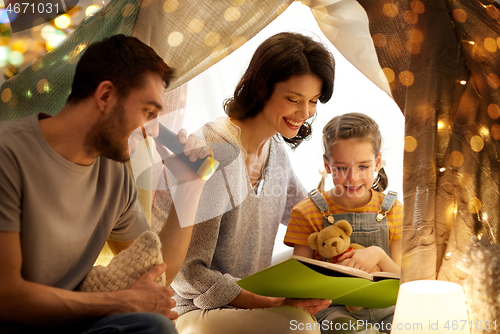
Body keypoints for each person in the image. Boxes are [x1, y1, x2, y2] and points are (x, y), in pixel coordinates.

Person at [0, 34, 208, 334]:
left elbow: (155, 276)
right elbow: (7, 297)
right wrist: (121, 302)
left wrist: (190, 188)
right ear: (106, 96)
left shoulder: (115, 172)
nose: (150, 131)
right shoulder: (8, 153)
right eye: (147, 113)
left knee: (152, 324)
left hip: (70, 325)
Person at [151, 32, 336, 334]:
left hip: (245, 298)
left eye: (313, 101)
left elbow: (308, 216)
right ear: (262, 89)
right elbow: (190, 275)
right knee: (299, 325)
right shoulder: (213, 152)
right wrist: (273, 303)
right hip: (192, 311)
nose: (305, 114)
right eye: (293, 100)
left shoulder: (274, 150)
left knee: (319, 261)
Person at [284, 112, 403, 333]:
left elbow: (402, 282)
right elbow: (299, 288)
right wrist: (335, 275)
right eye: (341, 168)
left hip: (389, 310)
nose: (352, 178)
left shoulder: (393, 209)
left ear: (377, 163)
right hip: (335, 312)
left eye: (363, 167)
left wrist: (377, 254)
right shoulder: (306, 212)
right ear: (327, 165)